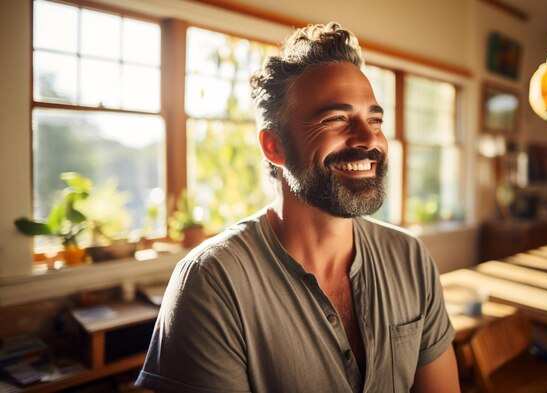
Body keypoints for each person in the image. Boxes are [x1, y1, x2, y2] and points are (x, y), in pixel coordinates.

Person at [136, 22, 460, 393]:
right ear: (274, 146)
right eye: (336, 119)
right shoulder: (211, 282)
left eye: (375, 120)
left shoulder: (410, 258)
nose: (370, 138)